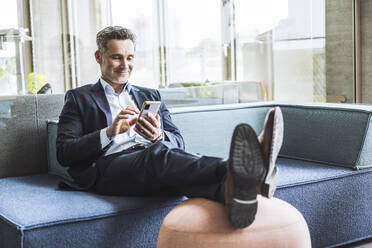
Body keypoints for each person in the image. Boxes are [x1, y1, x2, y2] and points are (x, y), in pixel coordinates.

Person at [56, 26, 283, 228]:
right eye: (117, 57)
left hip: (152, 161)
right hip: (107, 168)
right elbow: (64, 152)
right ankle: (239, 170)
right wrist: (109, 132)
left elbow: (177, 140)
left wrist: (158, 135)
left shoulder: (150, 95)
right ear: (98, 56)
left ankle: (232, 191)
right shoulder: (79, 98)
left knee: (165, 158)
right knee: (160, 155)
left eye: (130, 57)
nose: (125, 65)